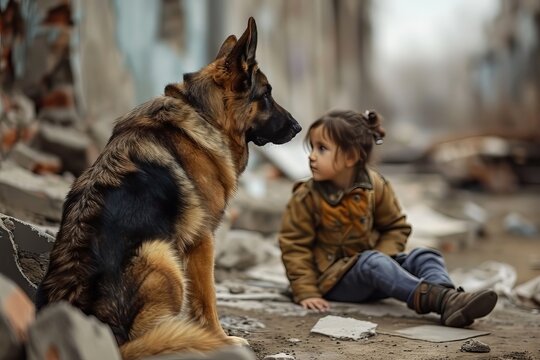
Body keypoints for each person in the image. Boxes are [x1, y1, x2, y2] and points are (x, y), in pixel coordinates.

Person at [278, 109, 498, 327]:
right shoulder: (307, 196)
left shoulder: (375, 185)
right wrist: (306, 291)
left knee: (426, 256)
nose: (311, 156)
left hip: (373, 269)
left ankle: (449, 299)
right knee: (372, 262)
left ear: (351, 157)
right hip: (332, 281)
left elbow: (396, 227)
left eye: (322, 149)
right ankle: (439, 300)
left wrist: (385, 258)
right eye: (312, 148)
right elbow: (295, 246)